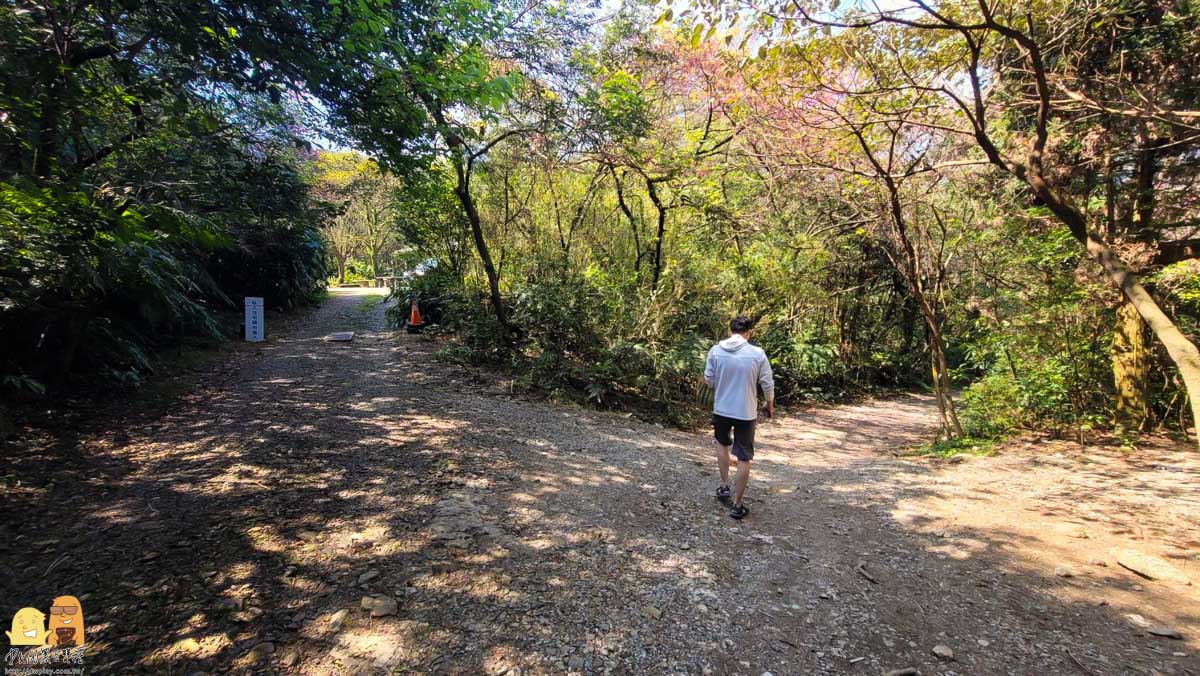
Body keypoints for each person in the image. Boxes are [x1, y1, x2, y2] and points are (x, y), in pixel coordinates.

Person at [704, 315, 775, 519]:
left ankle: (724, 485)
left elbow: (709, 380)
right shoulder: (757, 353)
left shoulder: (716, 351)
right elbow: (767, 383)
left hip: (722, 409)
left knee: (721, 444)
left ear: (729, 331)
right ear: (748, 333)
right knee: (744, 457)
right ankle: (737, 504)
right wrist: (769, 404)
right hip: (746, 412)